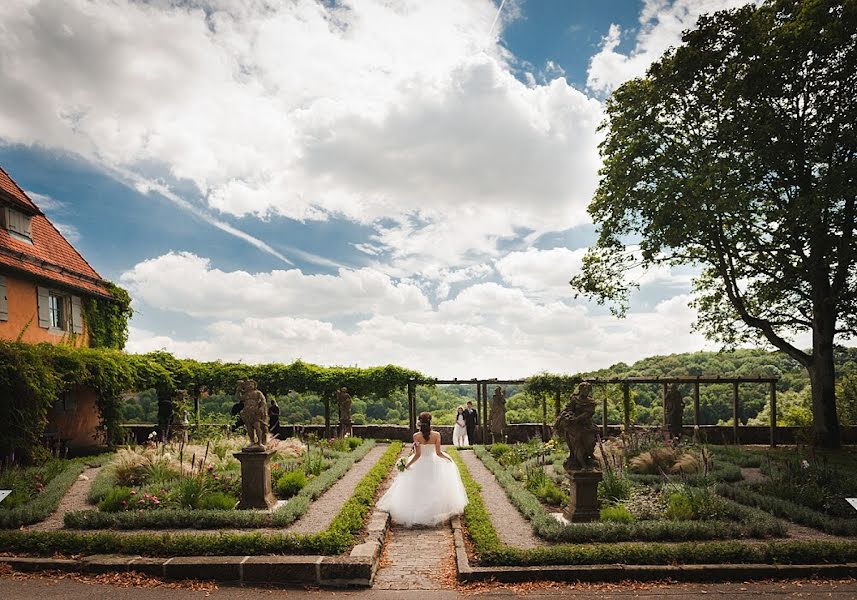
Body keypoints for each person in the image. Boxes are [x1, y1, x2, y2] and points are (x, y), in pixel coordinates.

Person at [377, 412, 468, 527]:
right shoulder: (436, 435)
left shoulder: (416, 436)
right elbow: (439, 453)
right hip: (433, 463)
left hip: (420, 464)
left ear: (420, 422)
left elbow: (417, 455)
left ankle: (416, 513)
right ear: (430, 421)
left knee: (417, 488)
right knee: (433, 487)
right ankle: (433, 513)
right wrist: (448, 458)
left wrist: (407, 464)